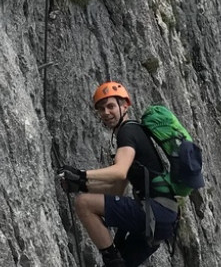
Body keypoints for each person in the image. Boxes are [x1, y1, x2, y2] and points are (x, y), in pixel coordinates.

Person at [57, 82, 179, 267]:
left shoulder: (128, 132)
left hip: (155, 211)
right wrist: (81, 185)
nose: (106, 112)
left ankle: (111, 258)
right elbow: (117, 188)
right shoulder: (134, 132)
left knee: (83, 204)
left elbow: (120, 171)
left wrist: (82, 174)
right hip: (164, 220)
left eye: (111, 106)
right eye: (101, 109)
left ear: (125, 105)